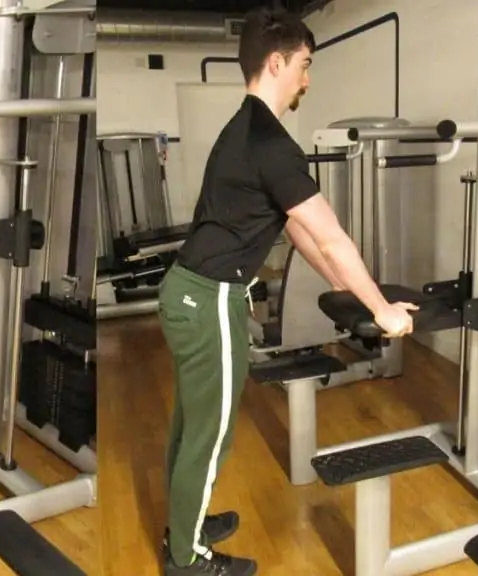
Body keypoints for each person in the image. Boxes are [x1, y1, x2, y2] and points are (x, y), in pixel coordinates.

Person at [157, 7, 418, 576]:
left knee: (192, 424)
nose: (307, 77)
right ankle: (187, 560)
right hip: (209, 299)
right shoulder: (270, 142)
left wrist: (338, 285)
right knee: (211, 434)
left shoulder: (244, 129)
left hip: (191, 293)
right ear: (276, 62)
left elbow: (297, 226)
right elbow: (333, 236)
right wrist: (382, 310)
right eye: (303, 64)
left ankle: (186, 525)